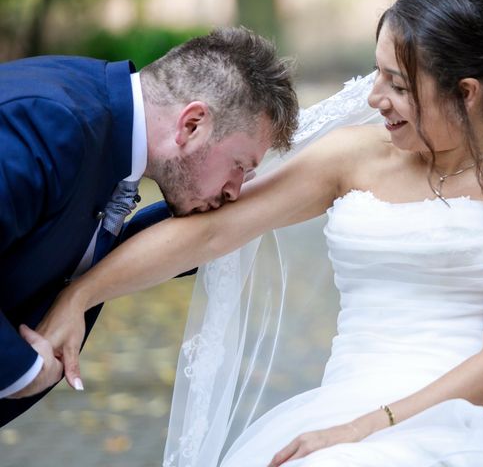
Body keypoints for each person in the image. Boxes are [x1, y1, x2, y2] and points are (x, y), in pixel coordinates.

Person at [37, 0, 483, 465]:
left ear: (467, 93)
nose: (375, 97)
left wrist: (362, 431)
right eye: (377, 72)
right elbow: (208, 233)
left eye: (399, 85)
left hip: (454, 427)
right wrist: (80, 294)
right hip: (337, 409)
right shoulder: (352, 157)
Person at [0, 26, 298, 427]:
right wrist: (24, 372)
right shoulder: (52, 124)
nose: (234, 191)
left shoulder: (106, 132)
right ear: (192, 124)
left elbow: (80, 234)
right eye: (239, 167)